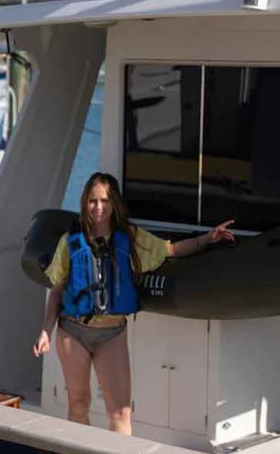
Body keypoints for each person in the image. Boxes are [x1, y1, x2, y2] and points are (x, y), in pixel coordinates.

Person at [33, 172, 235, 435]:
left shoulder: (130, 238)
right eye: (93, 201)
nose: (98, 207)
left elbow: (170, 250)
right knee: (78, 404)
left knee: (120, 412)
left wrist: (207, 239)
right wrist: (46, 331)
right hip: (73, 333)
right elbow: (57, 288)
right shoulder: (70, 241)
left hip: (112, 333)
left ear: (114, 202)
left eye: (104, 201)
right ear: (85, 202)